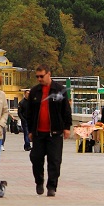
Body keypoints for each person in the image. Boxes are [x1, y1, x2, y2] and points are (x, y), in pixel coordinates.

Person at [24, 65, 72, 197]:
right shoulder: (34, 91)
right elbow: (29, 113)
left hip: (55, 133)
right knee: (36, 158)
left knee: (54, 160)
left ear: (49, 74)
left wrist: (67, 127)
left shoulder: (60, 90)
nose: (39, 79)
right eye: (37, 76)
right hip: (38, 133)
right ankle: (39, 181)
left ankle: (52, 186)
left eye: (41, 76)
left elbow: (66, 110)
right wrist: (30, 130)